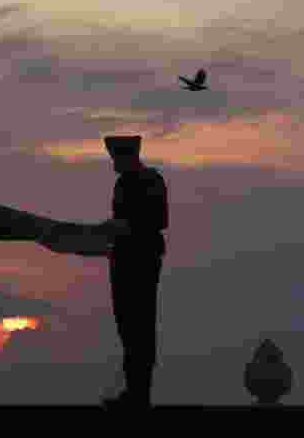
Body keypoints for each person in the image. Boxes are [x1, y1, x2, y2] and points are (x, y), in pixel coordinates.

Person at [98, 135, 168, 410]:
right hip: (122, 257)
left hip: (141, 258)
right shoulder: (122, 183)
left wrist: (127, 226)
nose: (113, 163)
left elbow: (159, 219)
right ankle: (133, 391)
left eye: (116, 158)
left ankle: (140, 395)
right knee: (127, 327)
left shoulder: (151, 180)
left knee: (140, 326)